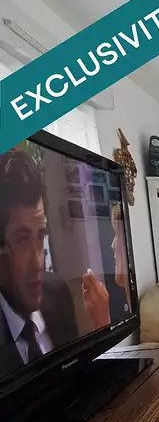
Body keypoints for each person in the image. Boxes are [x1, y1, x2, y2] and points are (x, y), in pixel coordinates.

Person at [0, 151, 109, 379]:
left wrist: (102, 328)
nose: (37, 262)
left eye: (41, 236)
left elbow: (78, 377)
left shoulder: (56, 291)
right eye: (22, 240)